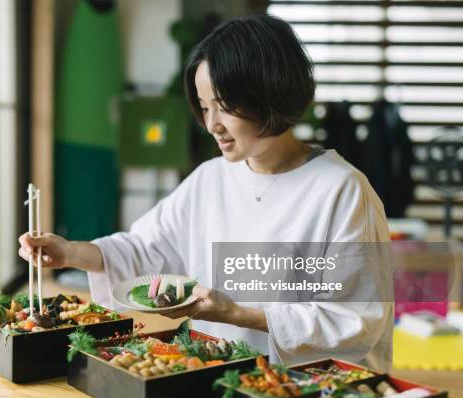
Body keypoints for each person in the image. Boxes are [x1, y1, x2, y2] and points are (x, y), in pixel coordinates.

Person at [19, 14, 392, 371]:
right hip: (221, 375)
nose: (213, 124)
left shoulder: (341, 190)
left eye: (225, 107)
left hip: (309, 389)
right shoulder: (210, 179)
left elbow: (355, 319)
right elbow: (146, 250)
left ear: (272, 93)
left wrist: (235, 314)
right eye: (203, 107)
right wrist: (69, 252)